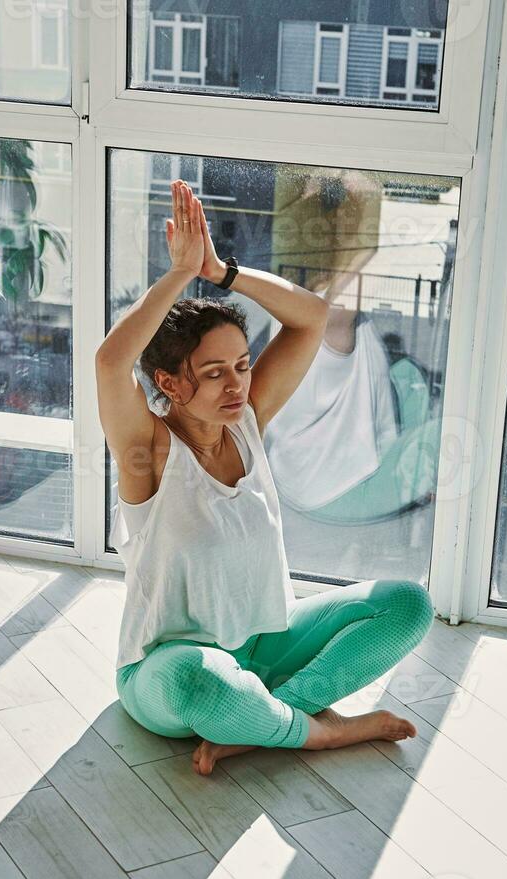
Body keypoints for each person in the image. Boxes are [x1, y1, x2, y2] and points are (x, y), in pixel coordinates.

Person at [94, 179, 434, 776]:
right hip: (165, 669)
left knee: (407, 605)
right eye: (215, 372)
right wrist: (179, 274)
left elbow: (312, 319)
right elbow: (110, 361)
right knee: (202, 683)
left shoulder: (247, 422)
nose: (237, 385)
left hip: (261, 644)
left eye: (244, 366)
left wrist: (220, 271)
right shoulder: (147, 451)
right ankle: (318, 734)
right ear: (170, 384)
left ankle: (268, 724)